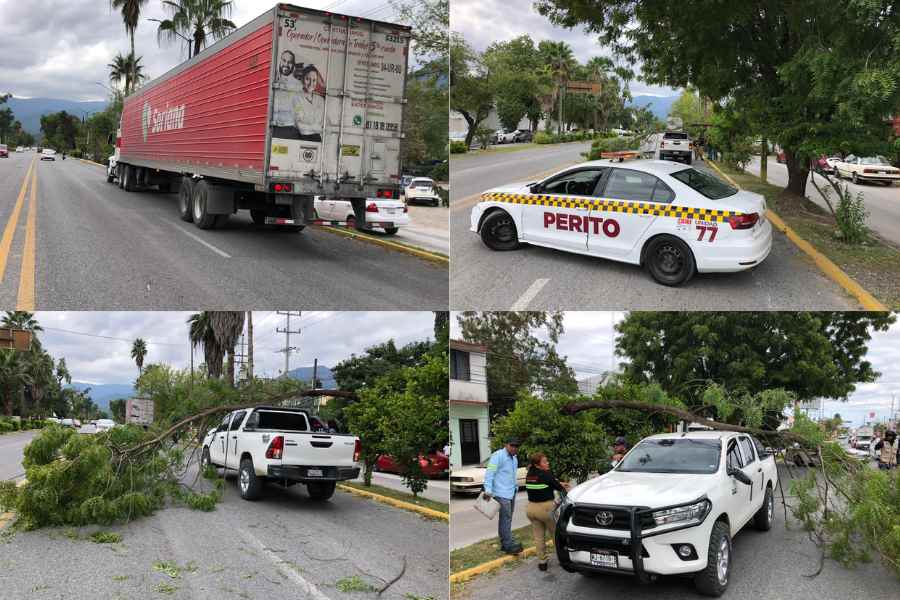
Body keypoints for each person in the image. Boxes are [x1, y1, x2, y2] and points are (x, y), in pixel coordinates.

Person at [525, 452, 570, 571]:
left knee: (538, 537)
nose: (547, 463)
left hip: (531, 509)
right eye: (545, 462)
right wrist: (564, 486)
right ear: (538, 464)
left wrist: (558, 483)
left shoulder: (530, 474)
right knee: (556, 534)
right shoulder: (546, 473)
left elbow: (547, 483)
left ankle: (542, 562)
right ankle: (562, 559)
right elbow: (558, 487)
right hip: (545, 508)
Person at [483, 437, 523, 554]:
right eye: (512, 445)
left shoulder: (514, 458)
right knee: (505, 518)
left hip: (511, 492)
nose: (514, 448)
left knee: (507, 518)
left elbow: (511, 475)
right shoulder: (498, 456)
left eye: (516, 446)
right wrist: (488, 490)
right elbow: (490, 473)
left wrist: (516, 487)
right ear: (506, 444)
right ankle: (508, 544)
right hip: (501, 493)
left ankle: (505, 542)